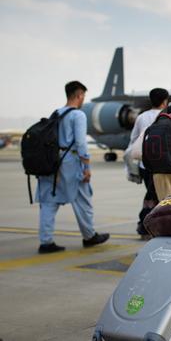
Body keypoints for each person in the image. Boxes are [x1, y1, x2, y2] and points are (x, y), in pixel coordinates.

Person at [36, 81, 109, 253]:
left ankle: (46, 242)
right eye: (83, 96)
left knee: (49, 203)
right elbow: (81, 143)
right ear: (79, 95)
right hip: (70, 164)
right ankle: (89, 236)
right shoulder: (78, 115)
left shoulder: (56, 113)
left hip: (51, 162)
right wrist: (86, 167)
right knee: (83, 199)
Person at [126, 88, 168, 238]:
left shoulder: (142, 117)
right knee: (156, 197)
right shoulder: (167, 116)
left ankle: (148, 226)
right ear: (165, 101)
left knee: (151, 194)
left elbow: (133, 140)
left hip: (145, 164)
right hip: (161, 164)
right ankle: (146, 226)